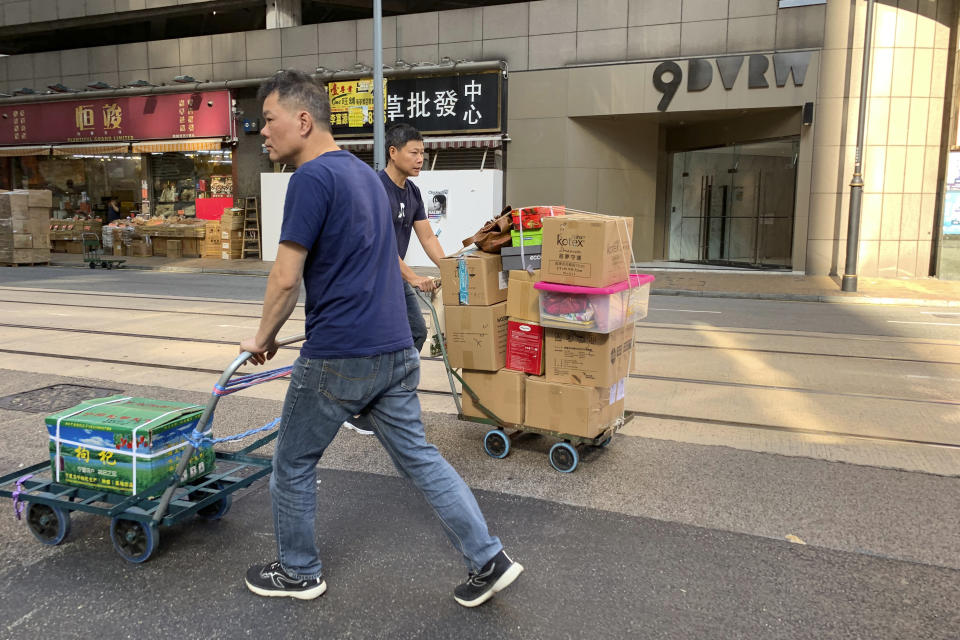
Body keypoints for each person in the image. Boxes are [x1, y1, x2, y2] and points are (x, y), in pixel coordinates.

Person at [239, 69, 523, 607]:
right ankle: (488, 558)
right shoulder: (366, 177)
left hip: (339, 354)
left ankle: (299, 572)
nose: (264, 133)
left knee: (293, 462)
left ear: (303, 120)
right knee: (420, 458)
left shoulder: (310, 179)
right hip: (395, 347)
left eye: (270, 121)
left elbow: (285, 276)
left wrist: (263, 337)